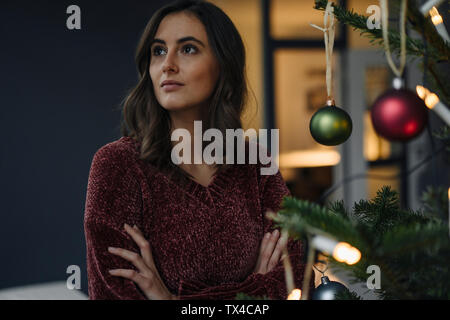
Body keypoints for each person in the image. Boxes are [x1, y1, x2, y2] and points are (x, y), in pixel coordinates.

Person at [84, 0, 314, 300]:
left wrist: (170, 300)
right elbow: (111, 294)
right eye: (159, 51)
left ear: (222, 65)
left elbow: (291, 276)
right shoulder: (118, 164)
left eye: (188, 48)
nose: (168, 64)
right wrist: (253, 288)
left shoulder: (255, 161)